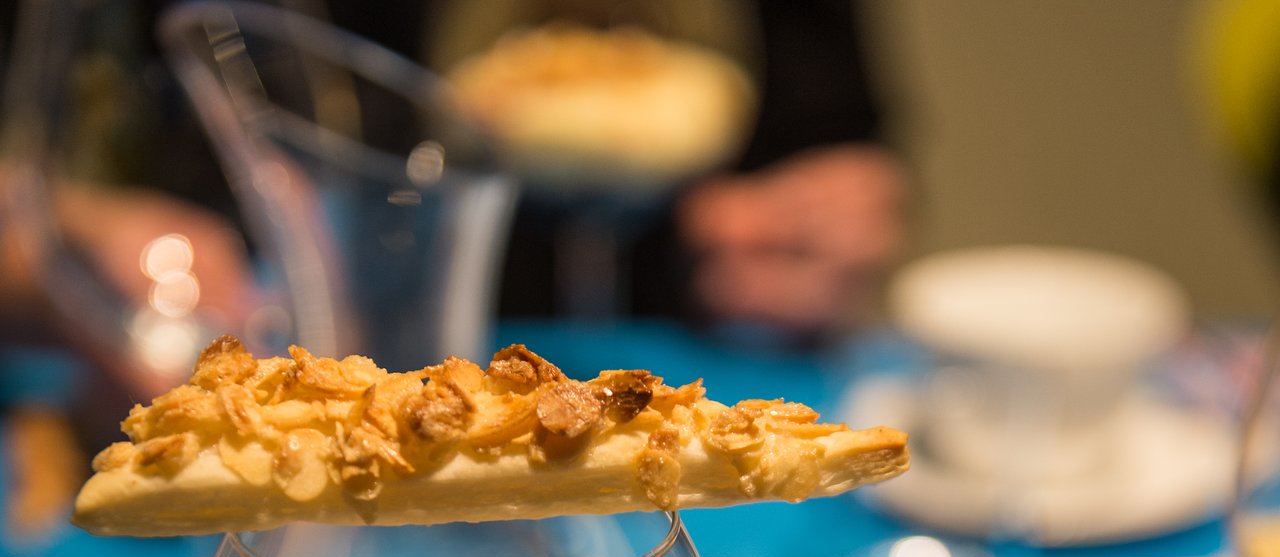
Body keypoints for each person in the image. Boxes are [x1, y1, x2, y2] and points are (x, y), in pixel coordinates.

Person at [0, 0, 906, 376]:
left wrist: (820, 234)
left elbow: (840, 147)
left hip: (694, 373)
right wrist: (47, 247)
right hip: (176, 409)